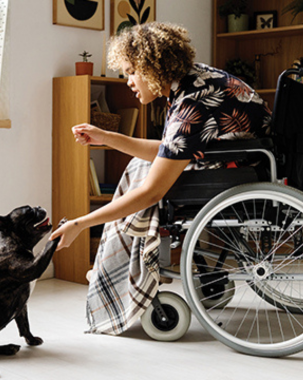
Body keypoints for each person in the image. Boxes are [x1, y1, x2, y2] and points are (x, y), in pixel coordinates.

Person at [50, 22, 271, 335]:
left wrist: (80, 224)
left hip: (234, 176)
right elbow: (170, 152)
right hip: (245, 165)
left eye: (130, 71)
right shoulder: (196, 80)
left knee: (142, 179)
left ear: (151, 67)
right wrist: (108, 137)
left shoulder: (189, 106)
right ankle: (112, 266)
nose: (127, 81)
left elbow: (153, 192)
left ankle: (120, 271)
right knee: (140, 167)